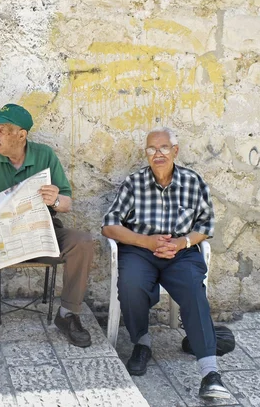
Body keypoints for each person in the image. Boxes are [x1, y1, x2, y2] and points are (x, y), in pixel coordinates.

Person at [0, 104, 94, 352]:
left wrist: (55, 199)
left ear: (21, 135)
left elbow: (67, 202)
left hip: (41, 236)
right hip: (1, 239)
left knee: (83, 242)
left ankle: (68, 315)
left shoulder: (45, 156)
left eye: (2, 130)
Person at [101, 127, 231, 400]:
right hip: (140, 251)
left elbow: (205, 226)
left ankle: (210, 373)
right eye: (151, 148)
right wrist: (146, 242)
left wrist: (182, 242)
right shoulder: (134, 182)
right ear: (146, 153)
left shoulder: (193, 182)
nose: (157, 154)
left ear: (175, 151)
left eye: (163, 148)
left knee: (194, 291)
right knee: (130, 283)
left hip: (180, 253)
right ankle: (142, 343)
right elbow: (109, 226)